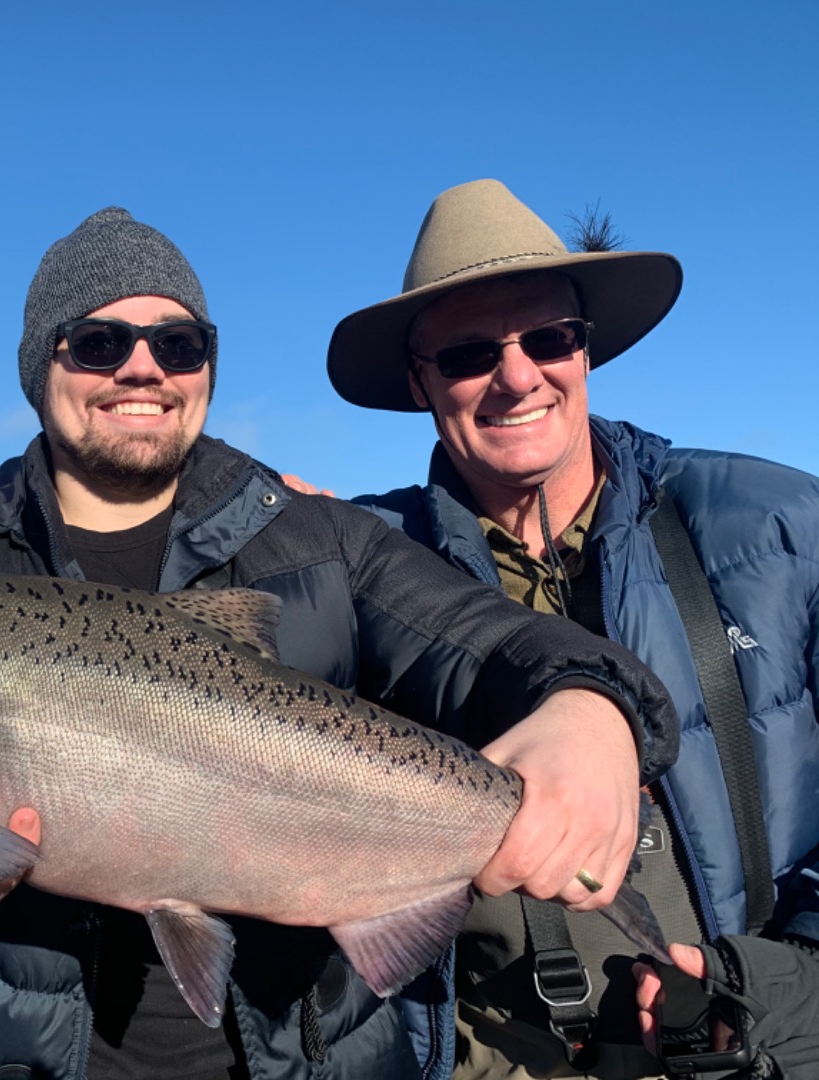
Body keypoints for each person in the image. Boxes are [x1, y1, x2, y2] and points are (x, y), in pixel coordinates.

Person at [0, 207, 680, 1079]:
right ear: (42, 366)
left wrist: (588, 704)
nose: (143, 368)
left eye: (179, 345)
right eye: (99, 343)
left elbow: (487, 639)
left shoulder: (328, 543)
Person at [329, 179, 819, 1078]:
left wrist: (775, 984)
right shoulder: (349, 569)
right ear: (419, 382)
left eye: (548, 338)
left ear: (586, 350)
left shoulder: (778, 525)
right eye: (472, 354)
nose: (518, 377)